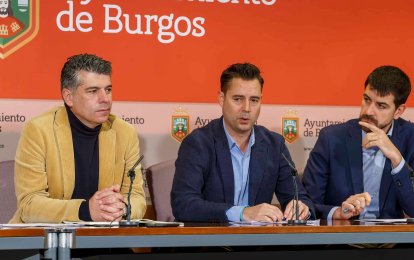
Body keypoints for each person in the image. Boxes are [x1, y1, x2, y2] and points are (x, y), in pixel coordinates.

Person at [10, 54, 146, 223]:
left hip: (104, 239)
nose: (105, 99)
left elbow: (137, 197)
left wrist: (122, 209)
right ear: (68, 97)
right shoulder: (38, 130)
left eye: (108, 89)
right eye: (93, 91)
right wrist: (85, 211)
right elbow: (29, 204)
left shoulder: (124, 132)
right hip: (45, 239)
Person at [171, 63, 314, 222]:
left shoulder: (274, 144)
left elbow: (299, 197)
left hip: (260, 243)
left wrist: (300, 208)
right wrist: (242, 213)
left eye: (254, 100)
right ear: (221, 99)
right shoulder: (198, 143)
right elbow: (183, 204)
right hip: (209, 243)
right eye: (238, 99)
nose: (246, 108)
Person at [303, 65, 414, 220]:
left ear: (399, 111)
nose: (368, 111)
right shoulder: (331, 138)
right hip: (344, 238)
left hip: (395, 240)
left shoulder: (411, 139)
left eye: (381, 106)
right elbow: (307, 204)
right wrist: (337, 212)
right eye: (367, 100)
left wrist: (397, 159)